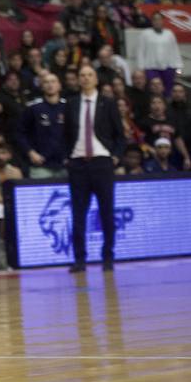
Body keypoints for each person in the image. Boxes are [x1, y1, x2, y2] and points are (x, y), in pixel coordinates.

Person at [63, 63, 125, 273]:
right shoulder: (70, 104)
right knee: (78, 214)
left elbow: (120, 135)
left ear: (96, 79)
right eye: (82, 75)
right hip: (78, 164)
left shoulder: (108, 104)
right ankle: (80, 259)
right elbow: (65, 135)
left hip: (101, 162)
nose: (86, 78)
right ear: (78, 79)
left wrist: (115, 156)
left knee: (106, 212)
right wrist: (67, 158)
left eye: (90, 75)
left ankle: (108, 256)